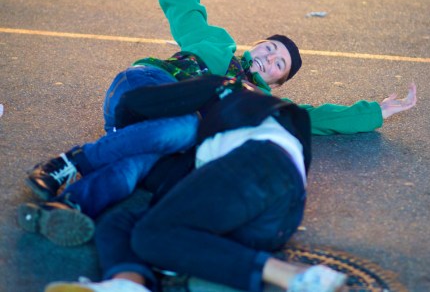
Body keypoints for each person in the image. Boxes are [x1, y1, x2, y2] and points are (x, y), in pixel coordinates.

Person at [18, 0, 417, 246]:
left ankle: (62, 207)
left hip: (148, 132)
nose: (270, 58)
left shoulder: (257, 100)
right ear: (257, 44)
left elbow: (313, 119)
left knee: (136, 168)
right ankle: (67, 164)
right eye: (271, 48)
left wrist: (376, 112)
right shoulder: (216, 45)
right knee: (186, 127)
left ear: (277, 82)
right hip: (145, 89)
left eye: (279, 64)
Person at [44, 75, 347, 292]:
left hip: (262, 163)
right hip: (266, 219)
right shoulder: (198, 150)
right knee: (122, 223)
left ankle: (295, 277)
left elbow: (138, 101)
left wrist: (119, 135)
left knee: (152, 233)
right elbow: (162, 193)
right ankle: (127, 283)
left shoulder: (223, 87)